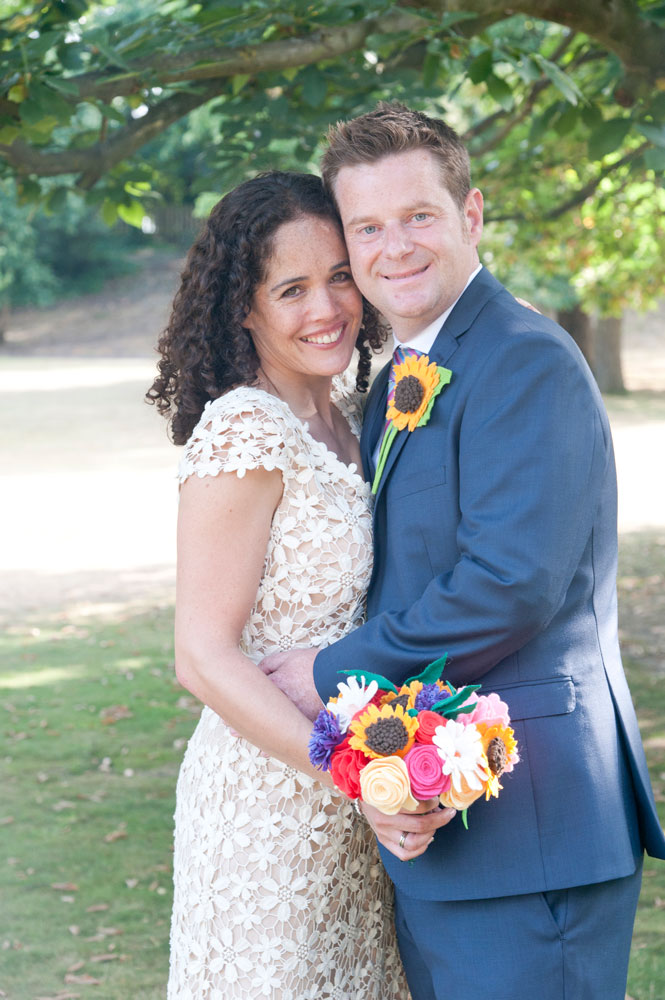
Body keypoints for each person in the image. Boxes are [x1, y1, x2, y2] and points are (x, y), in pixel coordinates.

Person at [261, 103, 665, 1000]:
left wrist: (330, 671)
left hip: (533, 826)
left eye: (417, 216)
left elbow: (508, 585)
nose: (394, 247)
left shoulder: (522, 359)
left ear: (470, 214)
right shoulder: (404, 372)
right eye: (368, 227)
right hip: (442, 824)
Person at [146, 171, 423, 997]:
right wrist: (349, 774)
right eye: (291, 289)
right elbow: (201, 656)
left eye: (339, 276)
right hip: (267, 808)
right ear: (244, 306)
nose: (327, 308)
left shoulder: (356, 417)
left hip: (356, 811)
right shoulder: (245, 429)